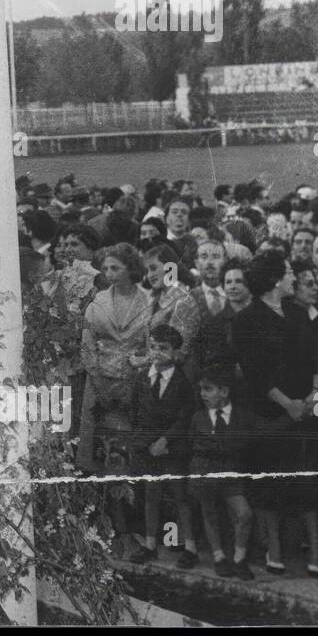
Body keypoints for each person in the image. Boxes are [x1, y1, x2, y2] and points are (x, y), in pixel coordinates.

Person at [232, 251, 318, 577]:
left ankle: (316, 554)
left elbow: (315, 360)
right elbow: (254, 374)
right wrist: (288, 404)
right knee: (271, 486)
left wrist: (315, 392)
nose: (295, 277)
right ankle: (275, 551)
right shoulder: (247, 320)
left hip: (307, 412)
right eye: (290, 272)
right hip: (270, 416)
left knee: (307, 484)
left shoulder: (297, 313)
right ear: (275, 279)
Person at [127, 324, 197, 568]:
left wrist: (166, 440)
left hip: (172, 448)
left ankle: (190, 547)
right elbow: (135, 411)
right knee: (151, 494)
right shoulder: (142, 378)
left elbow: (185, 417)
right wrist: (143, 440)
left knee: (180, 496)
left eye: (163, 348)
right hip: (147, 447)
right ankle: (149, 544)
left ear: (175, 352)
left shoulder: (182, 382)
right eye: (153, 347)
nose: (157, 353)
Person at [79, 243, 150, 473]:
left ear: (131, 269)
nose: (109, 274)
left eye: (116, 268)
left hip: (135, 380)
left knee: (129, 441)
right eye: (106, 269)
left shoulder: (148, 302)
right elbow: (87, 344)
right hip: (99, 378)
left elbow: (153, 345)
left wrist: (140, 366)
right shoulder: (98, 301)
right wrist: (97, 378)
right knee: (98, 442)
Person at [186, 367, 257, 579]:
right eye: (201, 390)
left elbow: (255, 435)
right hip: (205, 473)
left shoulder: (241, 416)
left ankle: (239, 558)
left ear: (224, 392)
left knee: (244, 514)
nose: (202, 394)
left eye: (208, 389)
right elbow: (193, 444)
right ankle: (219, 557)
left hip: (230, 475)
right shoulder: (198, 418)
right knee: (210, 514)